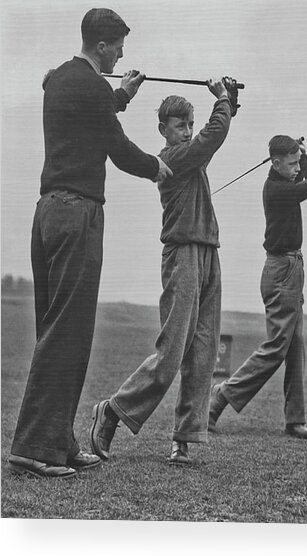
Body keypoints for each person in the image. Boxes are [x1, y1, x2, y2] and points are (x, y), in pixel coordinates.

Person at [8, 8, 171, 479]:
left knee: (54, 327)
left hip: (47, 214)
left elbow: (92, 112)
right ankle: (33, 449)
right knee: (69, 332)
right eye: (119, 46)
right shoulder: (90, 87)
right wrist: (155, 167)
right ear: (102, 45)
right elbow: (117, 149)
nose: (122, 54)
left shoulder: (59, 79)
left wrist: (123, 94)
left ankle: (57, 441)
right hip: (79, 212)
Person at [89, 79, 238, 465]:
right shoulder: (174, 156)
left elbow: (216, 130)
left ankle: (184, 438)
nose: (187, 131)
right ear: (164, 131)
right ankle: (112, 411)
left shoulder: (192, 151)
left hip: (209, 253)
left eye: (190, 123)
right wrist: (220, 99)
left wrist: (229, 101)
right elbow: (213, 136)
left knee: (203, 353)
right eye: (180, 125)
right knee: (172, 351)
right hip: (182, 255)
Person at [206, 135, 307, 439]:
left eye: (299, 162)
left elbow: (305, 178)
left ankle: (294, 419)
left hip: (292, 268)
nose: (298, 168)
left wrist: (298, 154)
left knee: (295, 345)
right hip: (281, 271)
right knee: (276, 348)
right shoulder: (278, 189)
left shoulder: (284, 181)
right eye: (293, 163)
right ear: (275, 163)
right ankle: (220, 396)